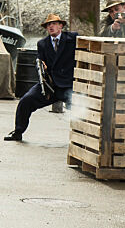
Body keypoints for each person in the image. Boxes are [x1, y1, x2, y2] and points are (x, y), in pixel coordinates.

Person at [5, 13, 77, 142]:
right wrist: (40, 63)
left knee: (82, 108)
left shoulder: (72, 38)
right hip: (50, 85)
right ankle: (18, 132)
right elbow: (40, 59)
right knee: (25, 101)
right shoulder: (42, 44)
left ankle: (83, 138)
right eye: (48, 25)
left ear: (61, 26)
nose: (51, 26)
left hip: (68, 85)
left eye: (54, 23)